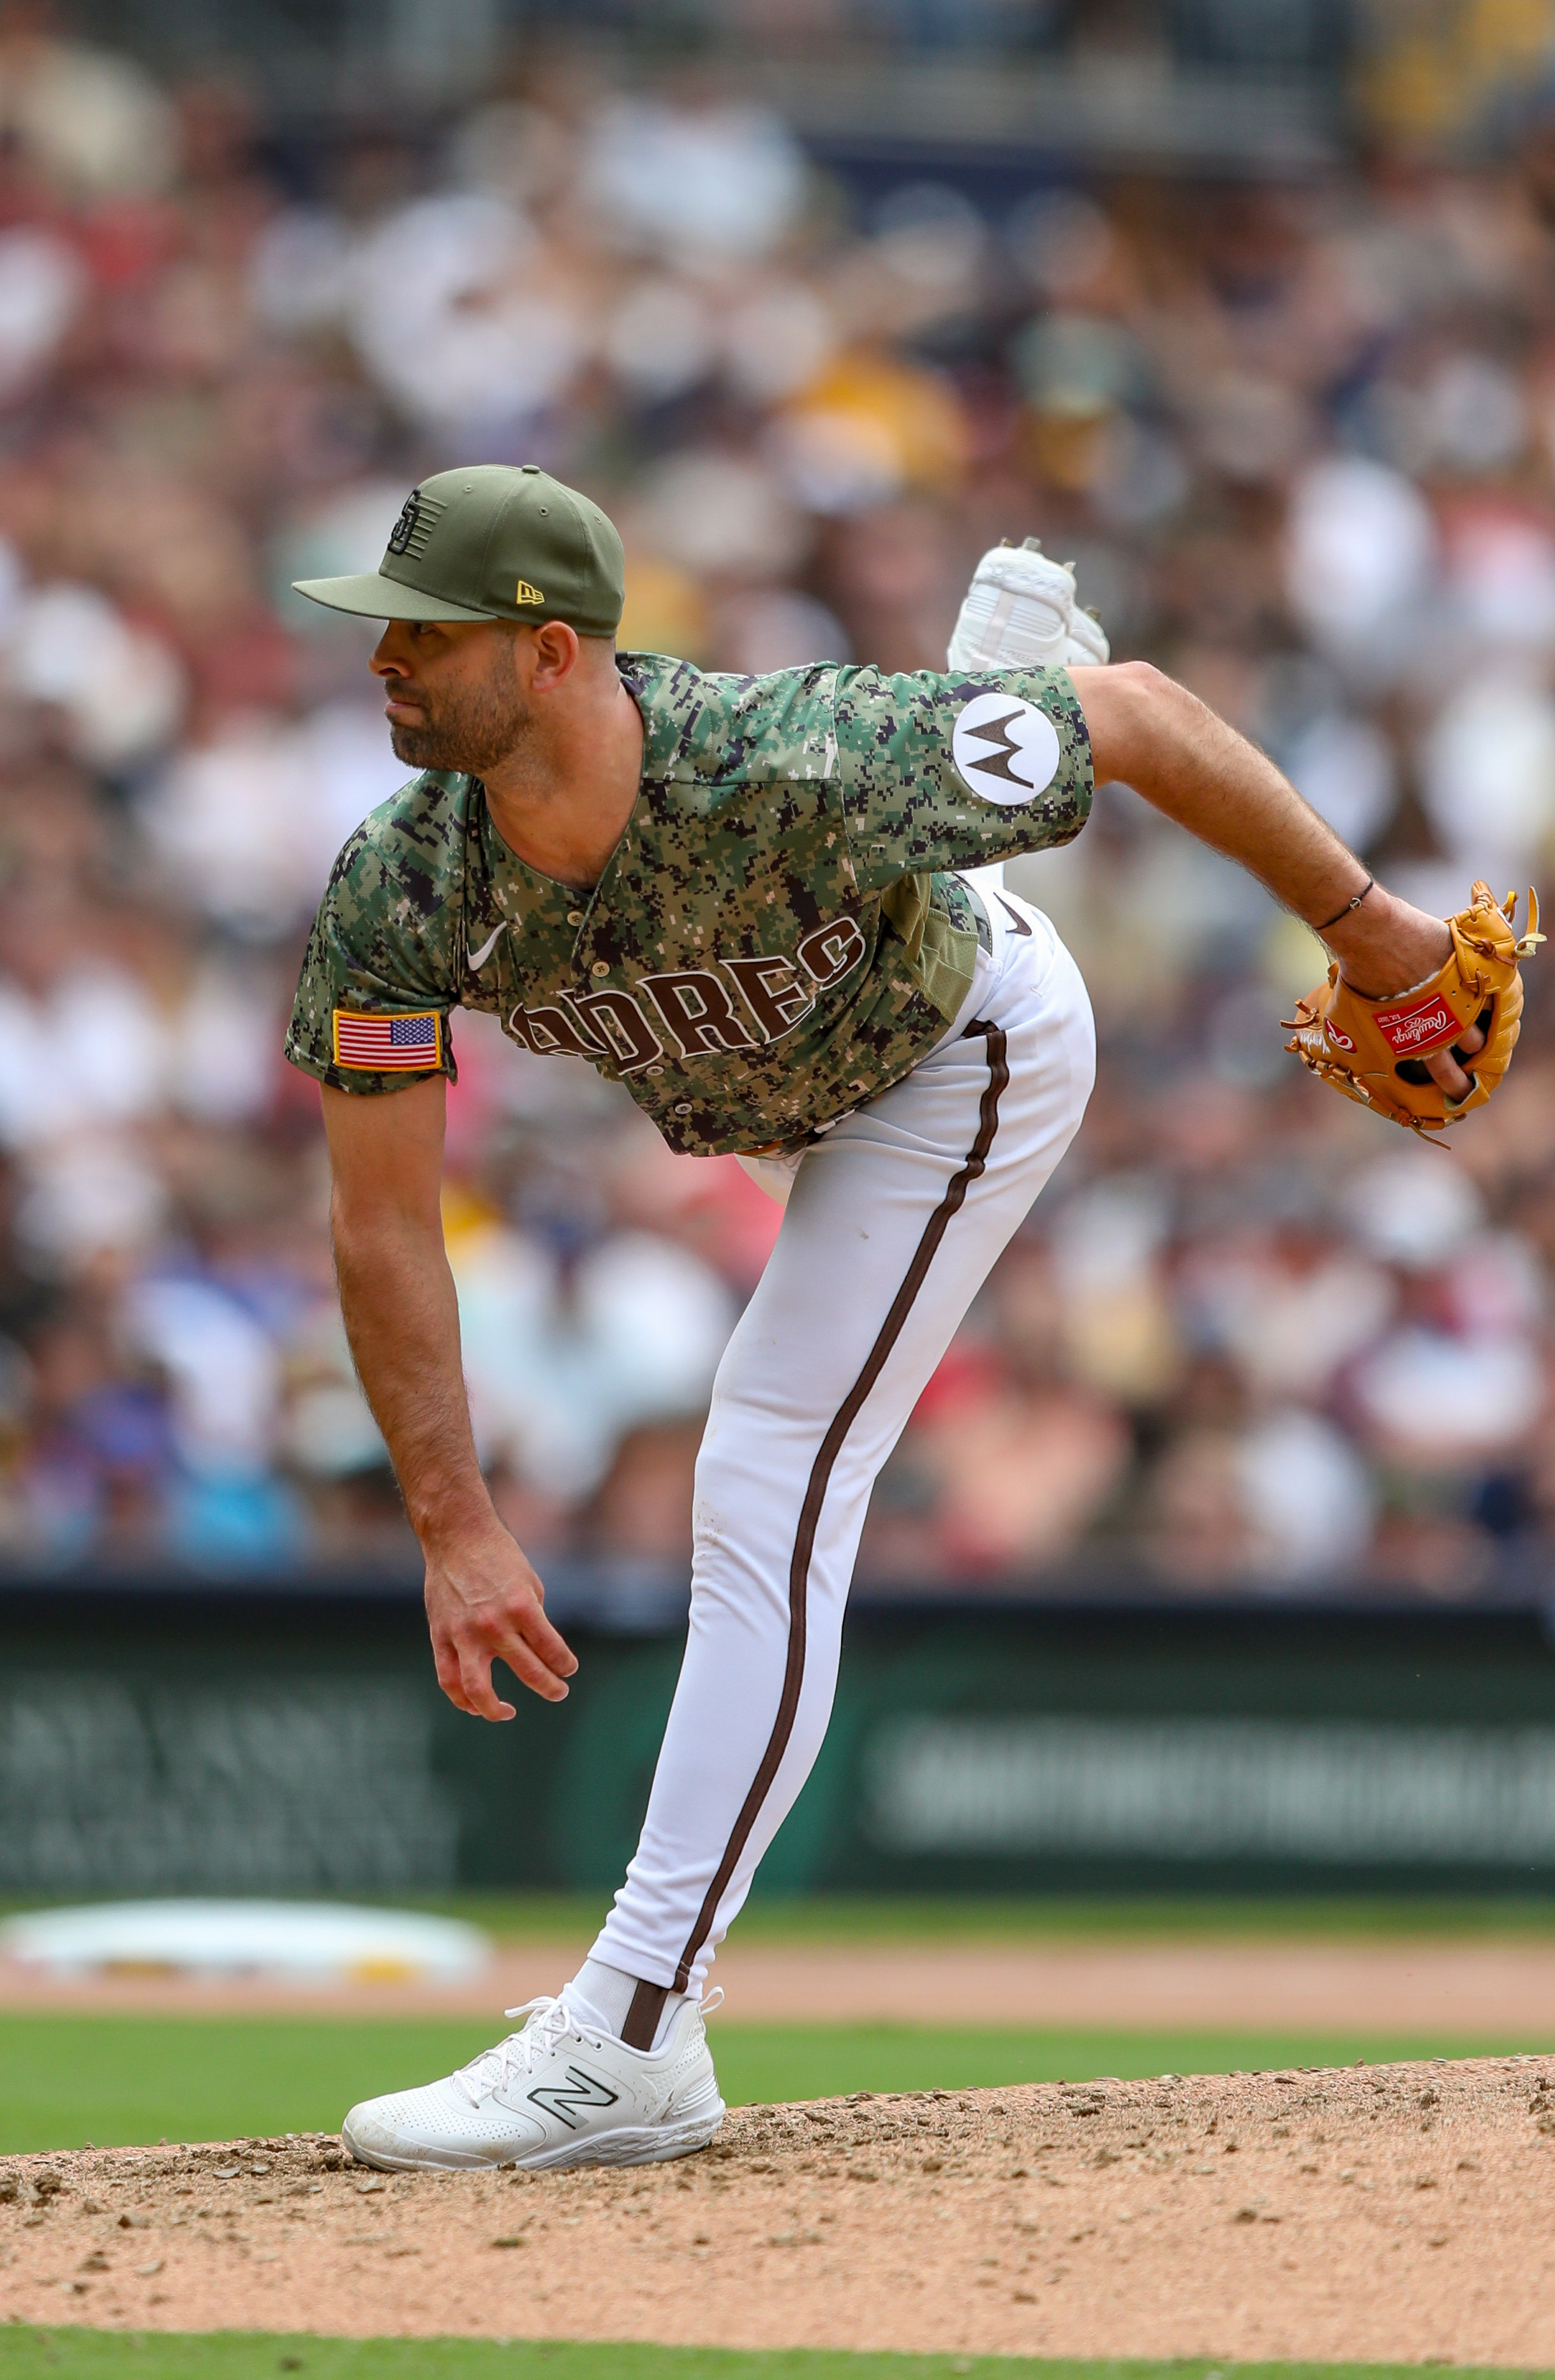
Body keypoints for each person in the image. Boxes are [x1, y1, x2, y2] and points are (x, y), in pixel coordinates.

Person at [285, 464, 1482, 2173]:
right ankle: (992, 685)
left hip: (962, 1049)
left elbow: (1135, 717)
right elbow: (382, 1221)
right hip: (797, 1085)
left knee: (766, 1464)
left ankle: (633, 2030)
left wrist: (1375, 938)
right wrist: (454, 1520)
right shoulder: (403, 882)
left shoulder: (786, 753)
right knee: (762, 1442)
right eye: (384, 630)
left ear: (552, 652)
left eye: (427, 632)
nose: (385, 660)